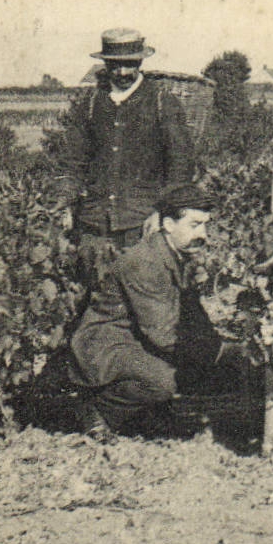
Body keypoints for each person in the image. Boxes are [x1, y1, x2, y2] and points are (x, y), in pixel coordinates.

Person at [69, 184, 241, 438]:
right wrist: (215, 355)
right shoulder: (145, 262)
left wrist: (220, 350)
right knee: (163, 382)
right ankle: (97, 410)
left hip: (137, 339)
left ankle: (142, 413)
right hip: (108, 344)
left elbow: (190, 313)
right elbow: (164, 334)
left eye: (205, 225)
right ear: (169, 224)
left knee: (210, 364)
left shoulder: (176, 254)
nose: (203, 234)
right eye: (195, 225)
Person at [57, 28, 197, 270]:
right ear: (106, 64)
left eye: (129, 64)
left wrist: (163, 212)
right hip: (94, 222)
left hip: (142, 223)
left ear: (140, 62)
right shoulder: (90, 104)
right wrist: (65, 201)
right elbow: (74, 160)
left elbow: (181, 166)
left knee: (143, 295)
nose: (122, 72)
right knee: (95, 295)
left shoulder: (162, 103)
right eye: (114, 65)